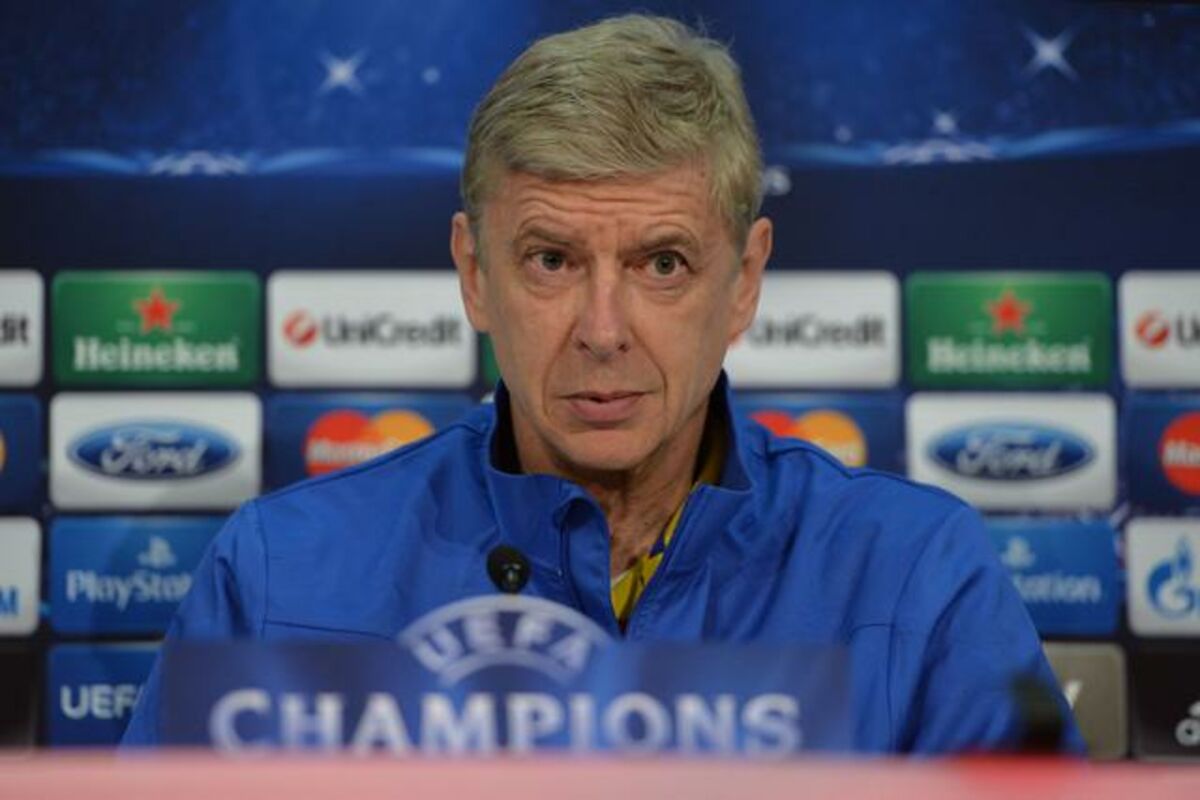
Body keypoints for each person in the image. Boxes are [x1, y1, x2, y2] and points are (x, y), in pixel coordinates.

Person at [123, 13, 1081, 753]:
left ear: (744, 281)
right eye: (551, 260)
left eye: (663, 264)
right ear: (474, 273)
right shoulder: (279, 575)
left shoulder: (916, 574)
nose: (604, 330)